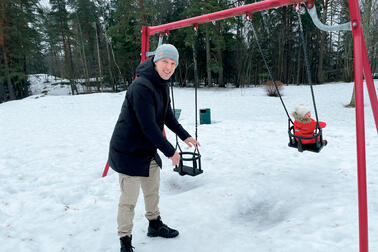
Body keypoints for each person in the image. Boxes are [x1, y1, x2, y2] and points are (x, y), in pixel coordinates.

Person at [108, 44, 200, 252]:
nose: (169, 67)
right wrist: (171, 152)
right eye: (165, 62)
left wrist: (185, 136)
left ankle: (154, 224)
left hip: (147, 149)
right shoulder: (141, 87)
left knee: (152, 191)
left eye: (173, 64)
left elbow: (166, 116)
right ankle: (125, 240)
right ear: (155, 61)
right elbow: (148, 126)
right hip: (128, 152)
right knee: (129, 200)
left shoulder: (161, 84)